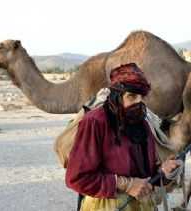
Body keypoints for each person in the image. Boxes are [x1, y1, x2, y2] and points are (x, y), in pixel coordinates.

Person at [65, 63, 180, 211]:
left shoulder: (142, 123)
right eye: (132, 96)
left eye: (141, 96)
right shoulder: (95, 122)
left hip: (143, 205)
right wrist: (125, 184)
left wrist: (164, 172)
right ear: (117, 96)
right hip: (107, 205)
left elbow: (148, 174)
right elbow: (76, 178)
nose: (139, 102)